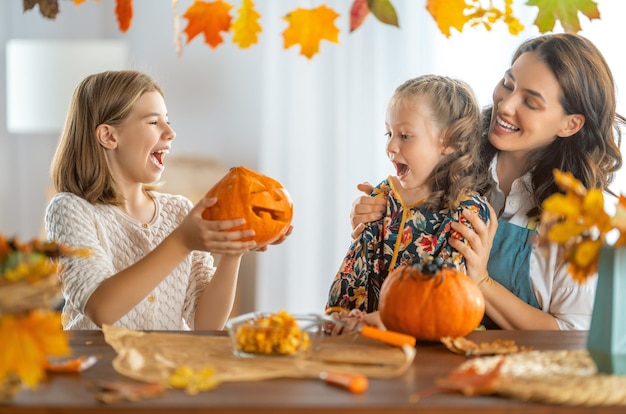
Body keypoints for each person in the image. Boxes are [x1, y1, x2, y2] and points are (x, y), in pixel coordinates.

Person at [349, 33, 624, 331]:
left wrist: (481, 281)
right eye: (508, 84)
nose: (505, 105)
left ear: (570, 124)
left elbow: (574, 334)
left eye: (530, 102)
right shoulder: (447, 159)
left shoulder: (576, 221)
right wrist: (378, 214)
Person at [45, 69, 290, 331]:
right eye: (153, 122)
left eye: (167, 121)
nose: (170, 132)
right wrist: (182, 241)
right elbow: (101, 309)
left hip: (168, 368)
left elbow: (206, 324)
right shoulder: (69, 210)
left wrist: (233, 252)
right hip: (101, 369)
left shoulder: (179, 210)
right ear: (109, 136)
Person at [324, 74, 492, 334]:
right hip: (365, 338)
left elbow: (449, 292)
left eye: (404, 135)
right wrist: (346, 315)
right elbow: (357, 261)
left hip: (430, 345)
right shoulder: (384, 195)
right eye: (389, 133)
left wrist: (387, 319)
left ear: (448, 142)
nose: (391, 146)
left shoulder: (467, 211)